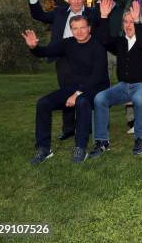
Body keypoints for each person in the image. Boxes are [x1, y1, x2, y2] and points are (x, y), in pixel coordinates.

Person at [22, 16, 109, 164]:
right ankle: (44, 148)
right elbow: (45, 52)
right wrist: (34, 47)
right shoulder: (68, 43)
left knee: (81, 102)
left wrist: (76, 94)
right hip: (75, 87)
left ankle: (80, 148)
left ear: (89, 28)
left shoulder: (97, 46)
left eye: (82, 27)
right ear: (71, 30)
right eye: (75, 28)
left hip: (97, 88)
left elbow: (97, 76)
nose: (79, 31)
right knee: (43, 103)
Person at [27, 0, 99, 141]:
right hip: (63, 56)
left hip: (86, 56)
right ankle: (68, 128)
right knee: (66, 90)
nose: (76, 1)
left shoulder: (92, 13)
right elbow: (39, 15)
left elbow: (102, 20)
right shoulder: (60, 13)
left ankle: (85, 125)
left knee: (84, 90)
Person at [89, 0, 142, 158]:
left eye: (131, 21)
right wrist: (104, 17)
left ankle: (140, 139)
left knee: (139, 99)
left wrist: (138, 21)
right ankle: (102, 141)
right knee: (100, 98)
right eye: (125, 21)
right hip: (124, 86)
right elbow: (103, 39)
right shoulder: (120, 42)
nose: (128, 24)